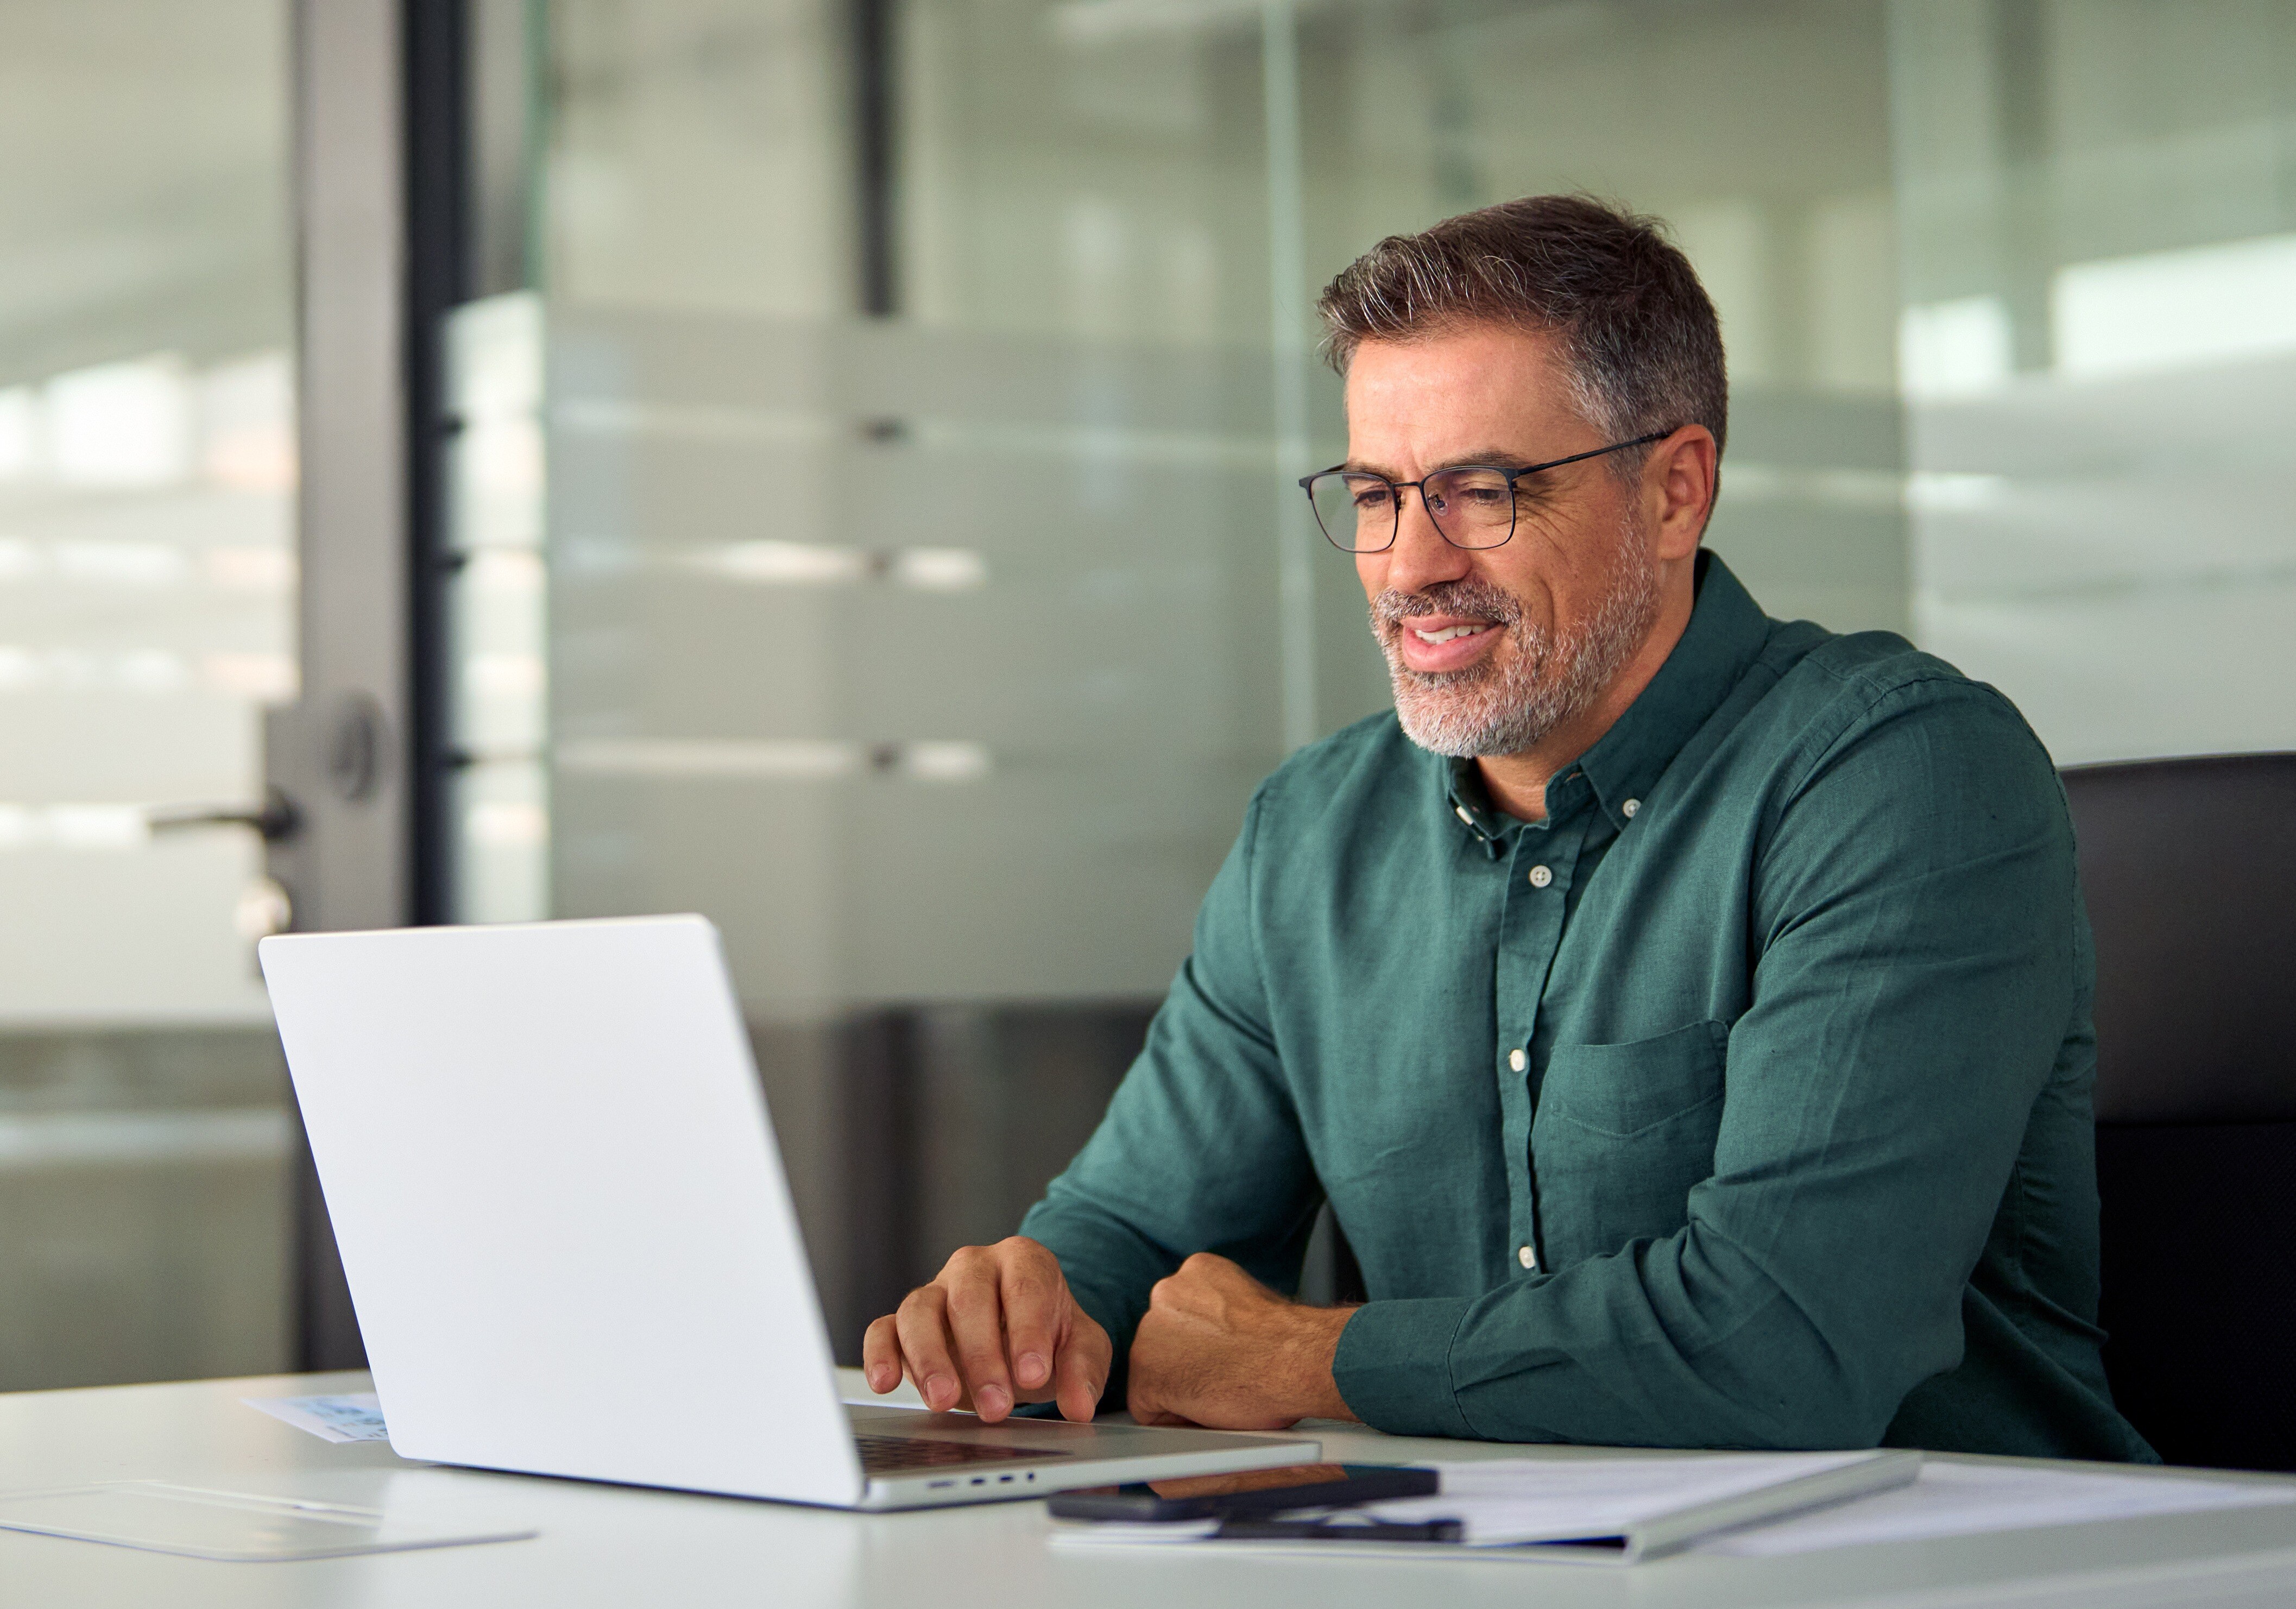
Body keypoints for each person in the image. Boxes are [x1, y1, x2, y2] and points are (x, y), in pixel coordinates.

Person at [862, 194, 2154, 1461]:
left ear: (1674, 492)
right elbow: (1134, 1255)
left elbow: (1783, 1344)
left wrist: (1306, 1360)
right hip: (1484, 1565)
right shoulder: (1311, 833)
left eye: (1480, 491)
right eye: (1374, 494)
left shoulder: (1896, 775)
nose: (1411, 562)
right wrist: (1022, 1314)